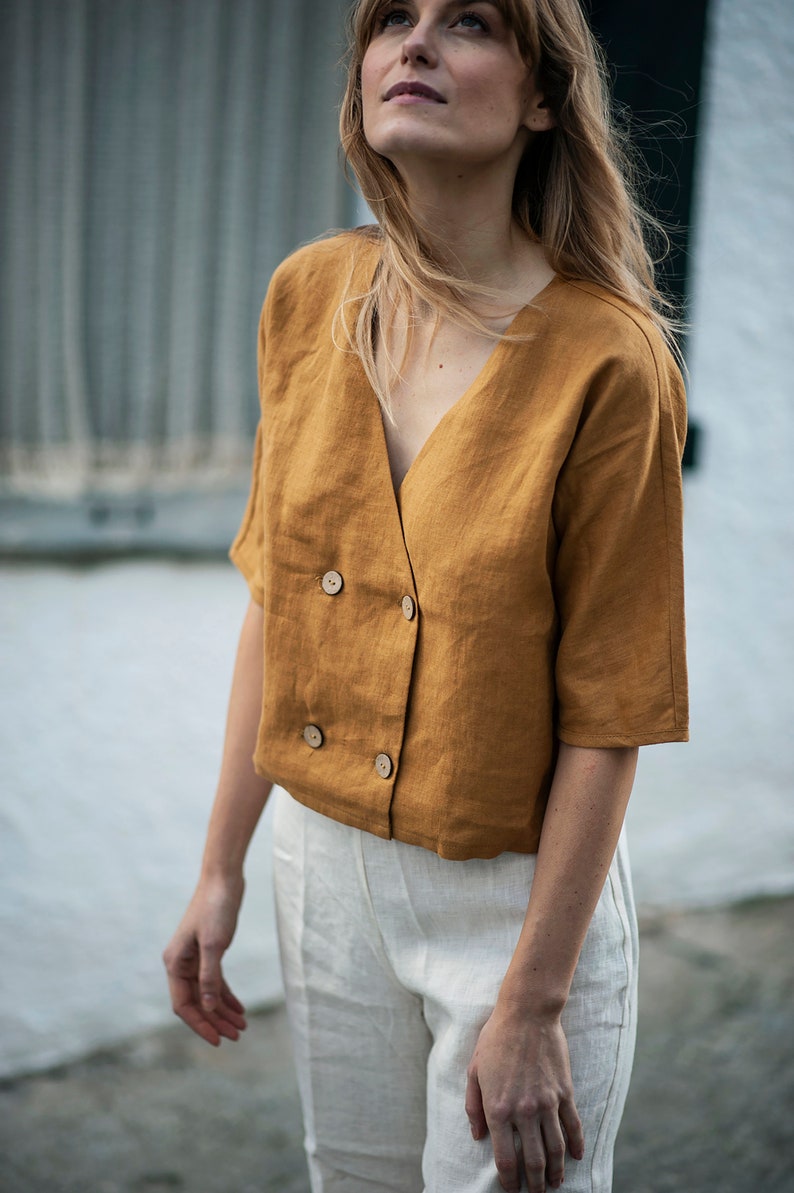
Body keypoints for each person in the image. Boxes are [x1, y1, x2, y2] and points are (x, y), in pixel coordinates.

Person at [163, 1, 688, 1190]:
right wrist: (221, 866)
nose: (413, 44)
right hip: (320, 866)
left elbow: (610, 709)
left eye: (468, 24)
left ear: (544, 95)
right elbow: (279, 605)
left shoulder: (609, 361)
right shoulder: (309, 297)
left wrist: (533, 998)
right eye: (390, 20)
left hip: (512, 898)